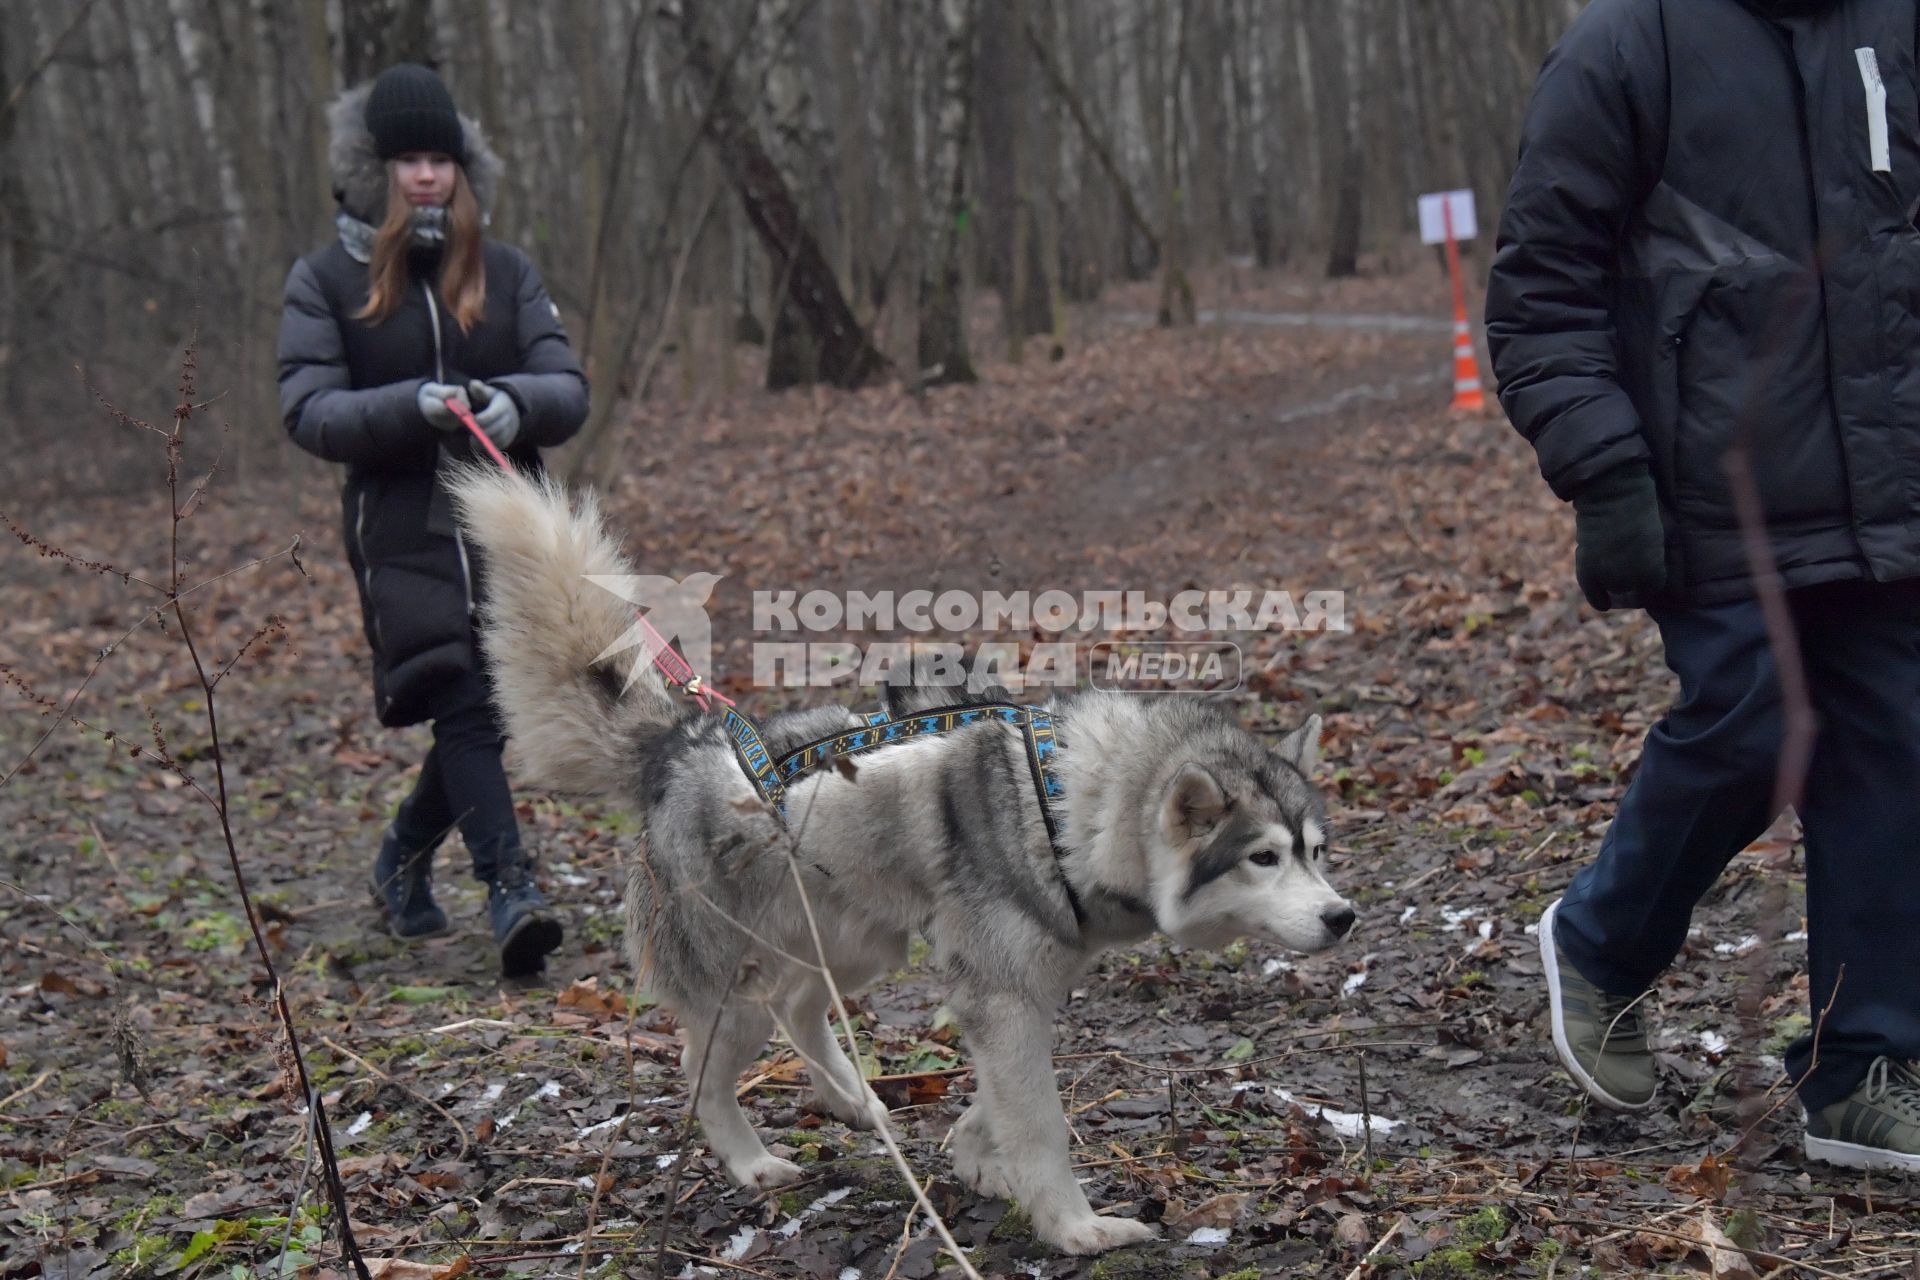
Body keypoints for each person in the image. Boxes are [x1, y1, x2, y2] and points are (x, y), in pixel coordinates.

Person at [1487, 0, 1920, 1170]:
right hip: (1708, 492)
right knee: (1754, 718)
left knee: (1893, 743)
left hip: (1889, 484)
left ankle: (1866, 1062)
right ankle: (1600, 944)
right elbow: (1539, 289)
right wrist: (1605, 467)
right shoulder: (1629, 42)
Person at [277, 64, 589, 976]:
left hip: (510, 528)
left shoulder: (508, 271)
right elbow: (307, 410)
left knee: (490, 704)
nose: (426, 176)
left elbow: (566, 385)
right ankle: (511, 890)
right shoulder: (323, 281)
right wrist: (406, 404)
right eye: (409, 158)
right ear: (373, 169)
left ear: (463, 170)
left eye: (441, 159)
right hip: (399, 530)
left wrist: (515, 405)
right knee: (462, 692)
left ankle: (401, 859)